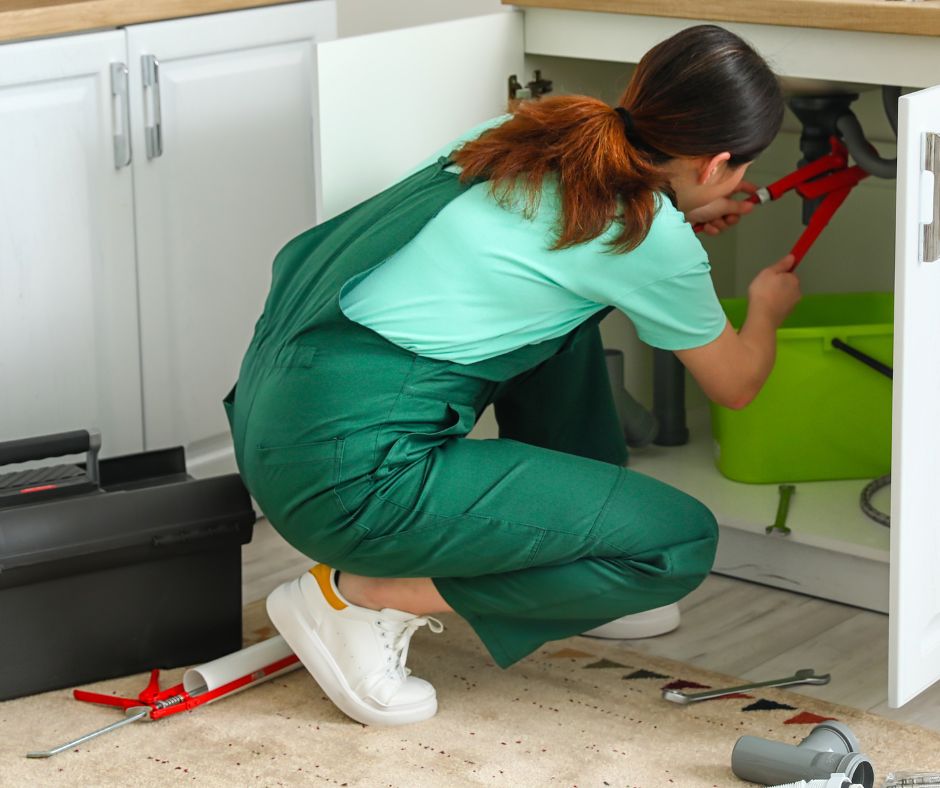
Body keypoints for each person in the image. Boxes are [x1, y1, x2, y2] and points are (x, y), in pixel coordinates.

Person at [223, 24, 800, 727]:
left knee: (569, 320)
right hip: (350, 481)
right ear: (715, 165)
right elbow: (736, 384)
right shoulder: (646, 236)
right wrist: (767, 307)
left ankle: (568, 569)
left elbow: (562, 248)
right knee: (677, 544)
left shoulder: (537, 130)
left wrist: (680, 213)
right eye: (740, 169)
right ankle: (360, 596)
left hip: (280, 414)